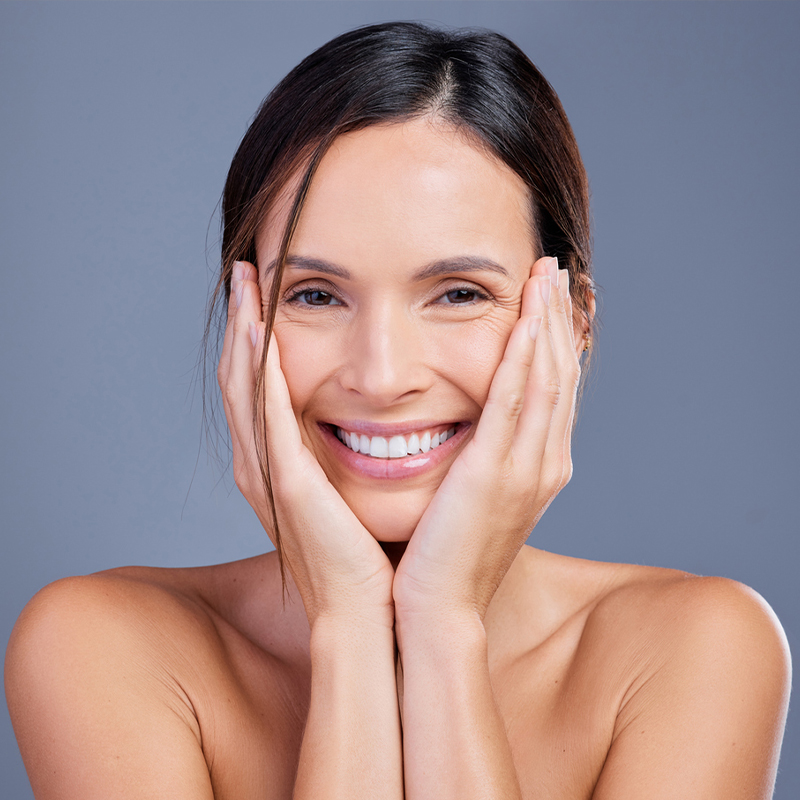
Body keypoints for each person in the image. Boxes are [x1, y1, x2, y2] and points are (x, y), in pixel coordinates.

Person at [5, 21, 790, 799]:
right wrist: (349, 628)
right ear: (248, 326)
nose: (380, 376)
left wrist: (444, 624)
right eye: (314, 295)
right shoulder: (102, 645)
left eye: (457, 294)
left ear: (571, 324)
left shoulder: (697, 649)